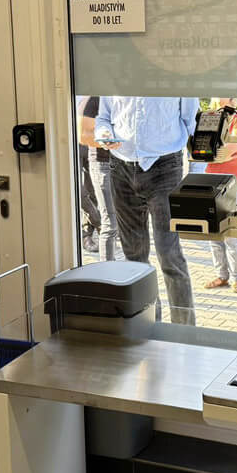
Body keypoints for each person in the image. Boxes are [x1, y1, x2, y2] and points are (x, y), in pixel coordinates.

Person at [95, 96, 198, 324]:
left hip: (165, 167)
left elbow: (193, 123)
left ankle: (184, 330)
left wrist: (196, 177)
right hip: (120, 167)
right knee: (134, 257)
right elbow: (103, 118)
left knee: (169, 254)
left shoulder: (176, 78)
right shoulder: (114, 78)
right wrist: (103, 133)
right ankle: (149, 327)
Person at [203, 98, 237, 293]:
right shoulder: (210, 118)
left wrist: (208, 151)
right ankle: (221, 276)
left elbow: (230, 149)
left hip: (232, 183)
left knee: (231, 235)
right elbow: (199, 145)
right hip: (211, 180)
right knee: (213, 233)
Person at [78, 95, 122, 260]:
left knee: (93, 193)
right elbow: (83, 133)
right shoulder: (93, 97)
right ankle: (93, 228)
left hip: (119, 159)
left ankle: (88, 232)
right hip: (95, 156)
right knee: (80, 192)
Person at [75, 97, 101, 254]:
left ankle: (86, 234)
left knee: (94, 190)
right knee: (77, 188)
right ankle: (98, 222)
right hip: (70, 141)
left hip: (92, 142)